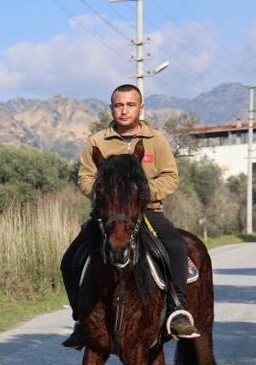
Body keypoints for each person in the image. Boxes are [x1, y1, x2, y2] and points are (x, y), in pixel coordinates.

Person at [61, 83, 199, 349]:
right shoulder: (97, 141)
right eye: (118, 105)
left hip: (147, 211)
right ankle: (81, 321)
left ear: (140, 108)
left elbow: (171, 176)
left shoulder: (155, 140)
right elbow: (85, 177)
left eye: (130, 105)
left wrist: (143, 193)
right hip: (109, 216)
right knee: (70, 259)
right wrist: (106, 196)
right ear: (112, 108)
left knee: (175, 246)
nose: (124, 110)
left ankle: (178, 308)